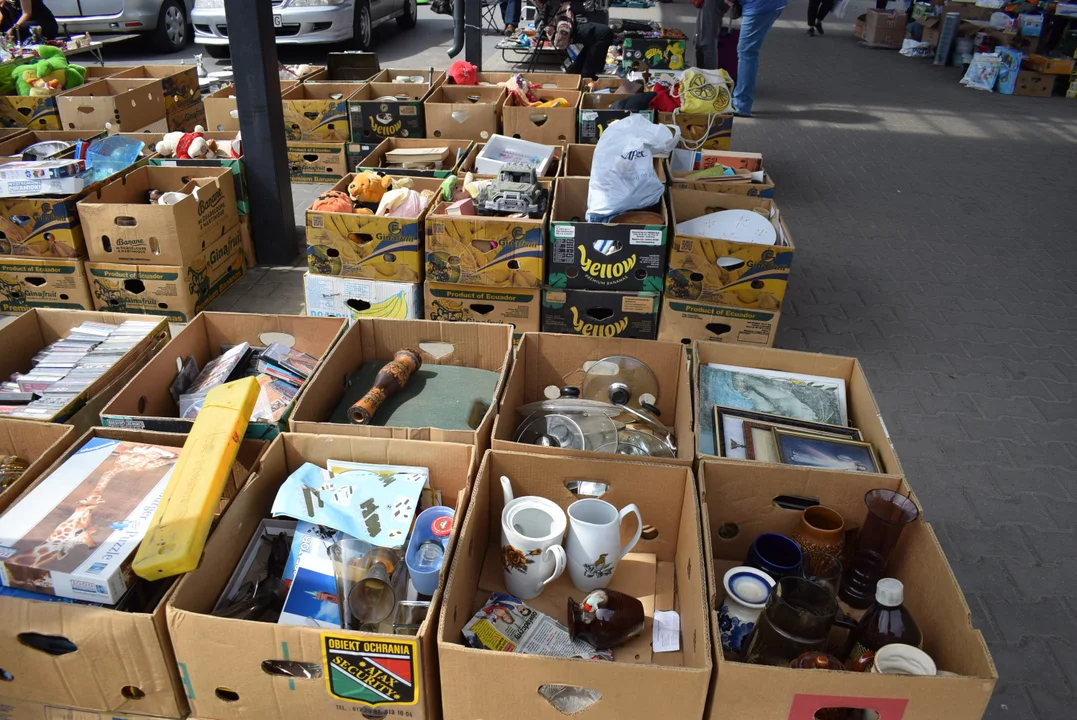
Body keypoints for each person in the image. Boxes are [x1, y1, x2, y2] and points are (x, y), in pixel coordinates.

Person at [729, 0, 785, 117]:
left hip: (758, 6)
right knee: (749, 52)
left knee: (747, 53)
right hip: (769, 5)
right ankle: (741, 101)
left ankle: (741, 104)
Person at [535, 0, 613, 79]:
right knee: (604, 33)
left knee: (597, 34)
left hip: (569, 18)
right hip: (559, 22)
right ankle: (587, 76)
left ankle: (575, 70)